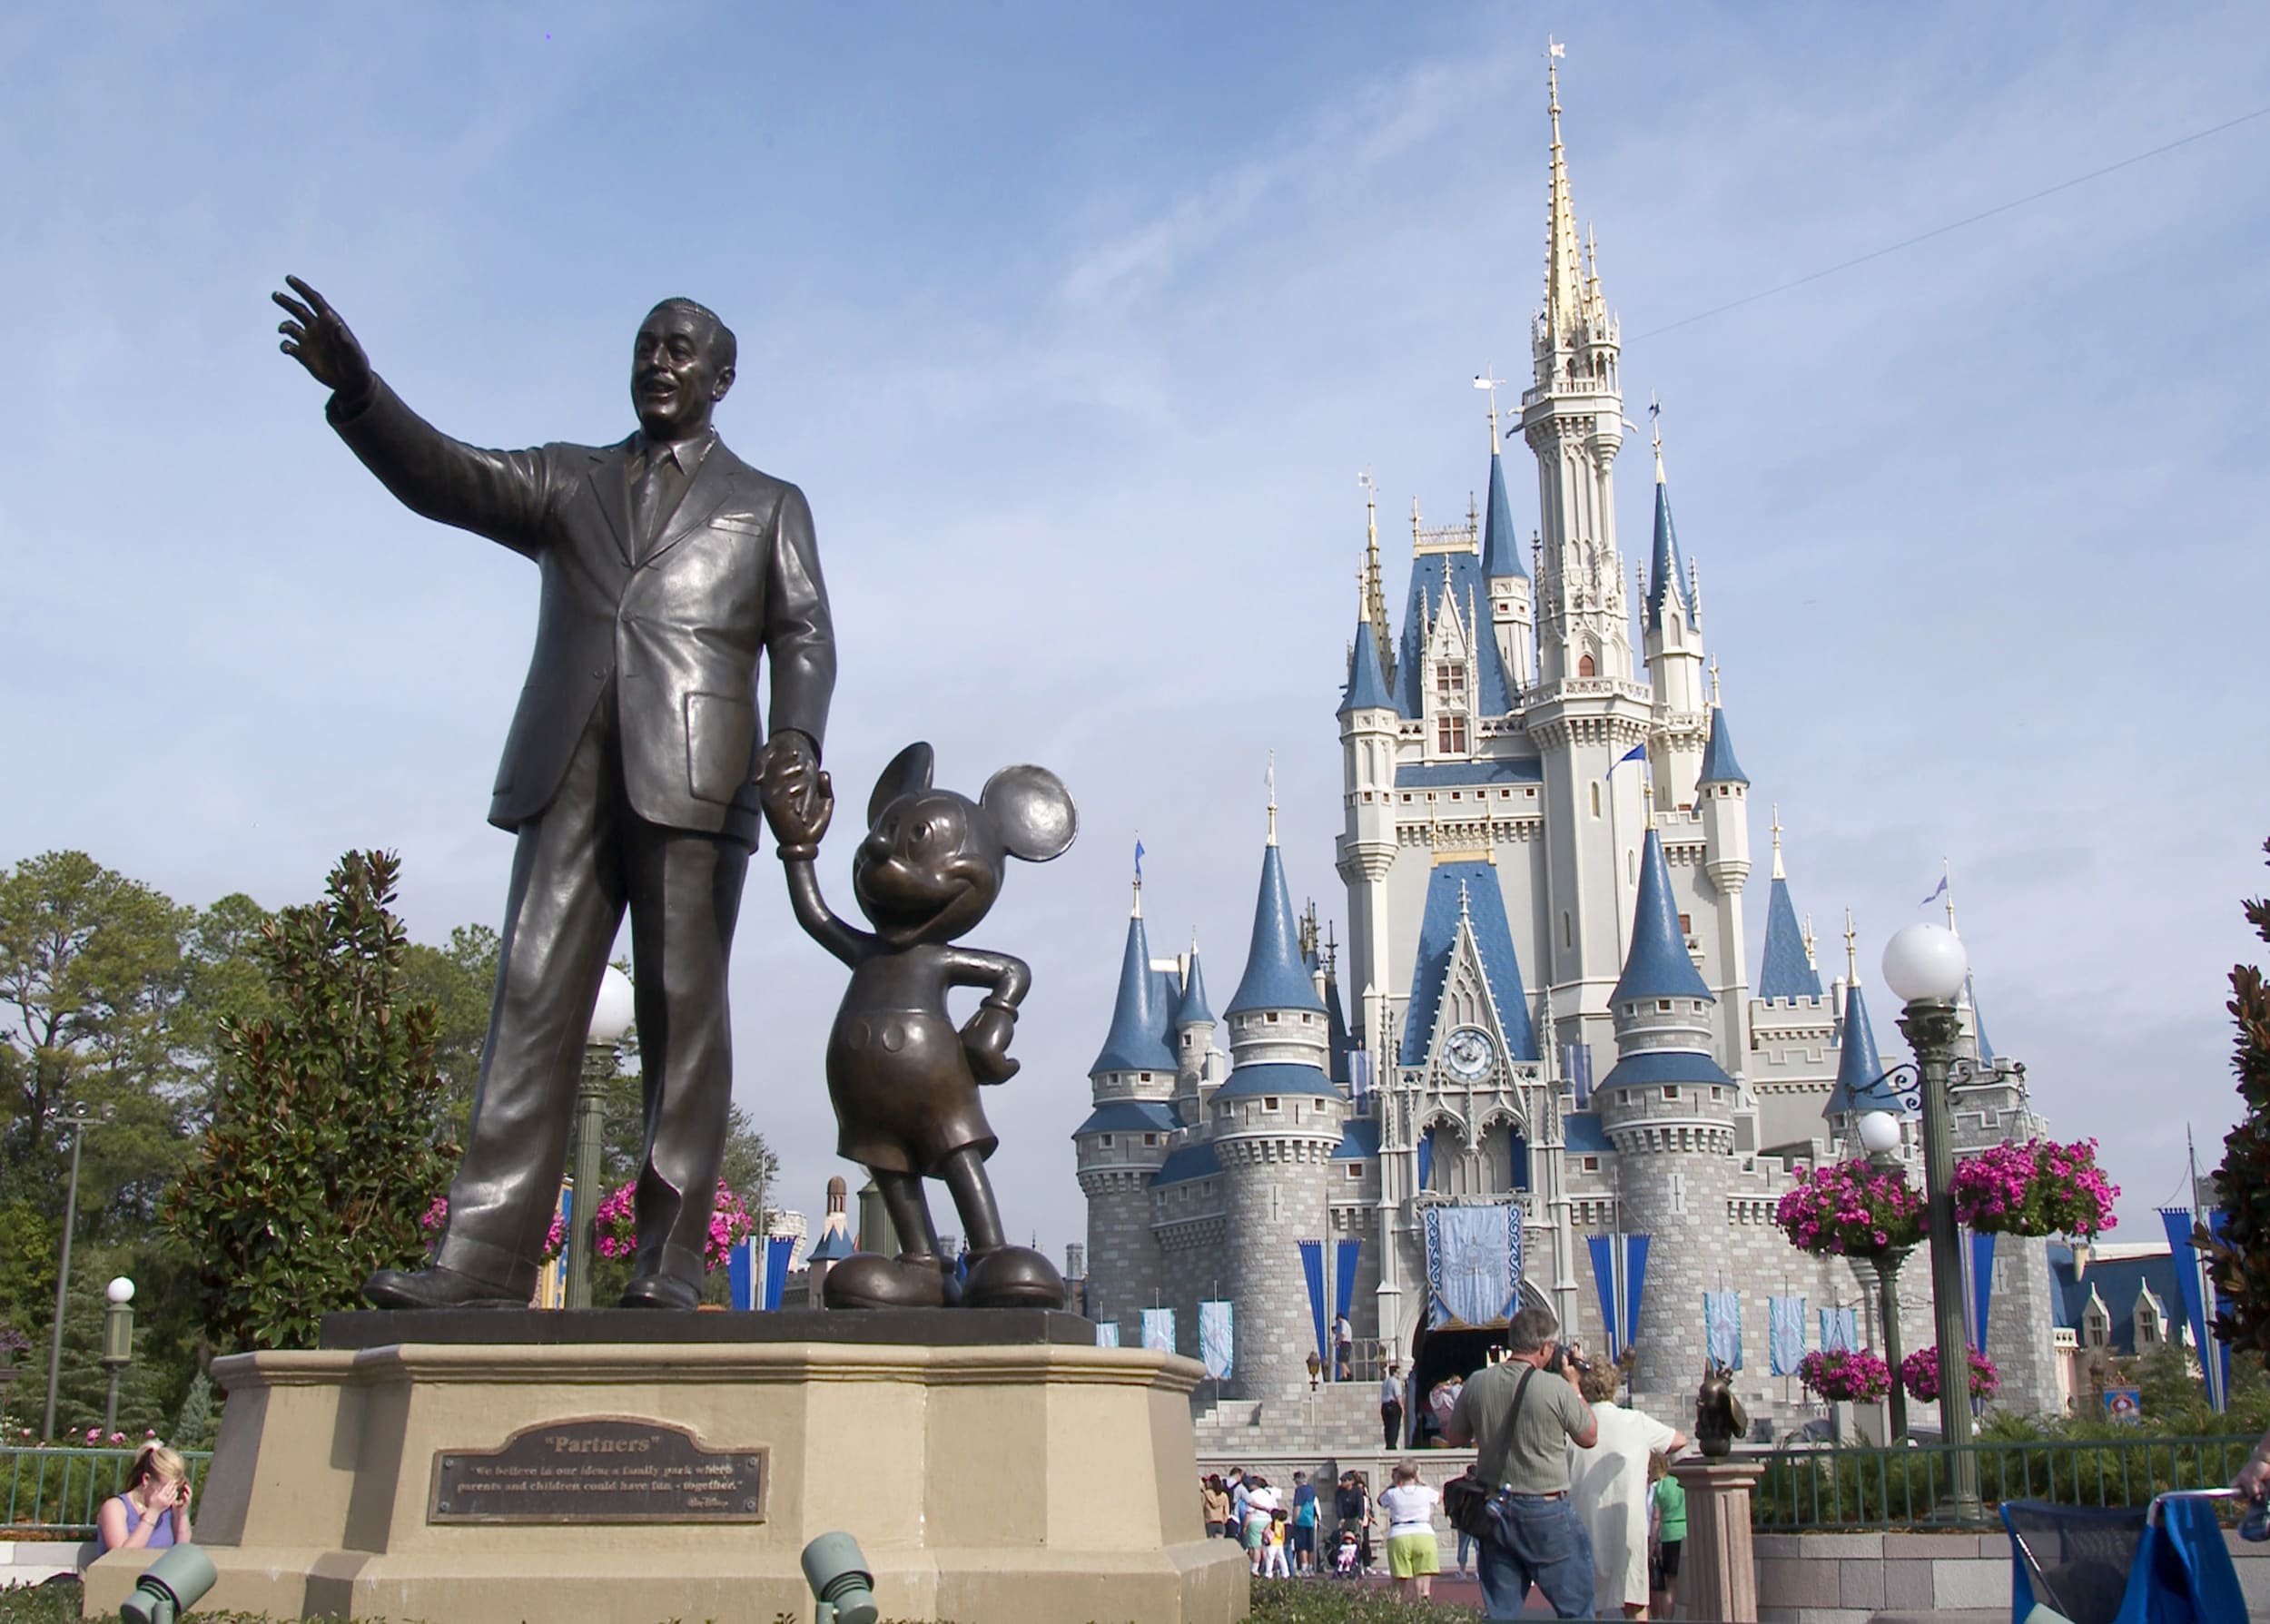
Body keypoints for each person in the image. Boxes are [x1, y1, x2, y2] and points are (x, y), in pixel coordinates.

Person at [273, 280, 836, 1312]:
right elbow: (449, 476)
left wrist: (795, 739)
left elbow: (803, 636)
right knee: (529, 1002)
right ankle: (481, 1260)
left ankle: (667, 1258)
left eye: (680, 351)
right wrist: (362, 395)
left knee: (681, 1013)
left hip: (698, 777)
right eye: (645, 347)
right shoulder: (567, 480)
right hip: (565, 769)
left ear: (721, 379)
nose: (659, 363)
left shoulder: (768, 504)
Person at [1442, 1304, 1601, 1620]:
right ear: (1545, 1348)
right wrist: (1574, 1385)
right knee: (1576, 1609)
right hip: (1545, 1508)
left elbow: (1455, 1436)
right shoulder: (1555, 1387)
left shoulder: (1476, 1382)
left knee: (1502, 1613)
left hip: (1495, 1509)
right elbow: (1589, 1436)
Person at [1569, 1363, 1688, 1619]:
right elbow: (1679, 1439)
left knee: (1589, 1606)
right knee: (1634, 1602)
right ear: (1614, 1386)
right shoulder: (1636, 1422)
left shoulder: (1573, 1428)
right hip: (1627, 1522)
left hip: (1584, 1523)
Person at [96, 1442, 191, 1552]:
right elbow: (122, 1557)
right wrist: (153, 1512)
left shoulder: (168, 1509)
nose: (170, 1495)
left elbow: (181, 1554)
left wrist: (182, 1515)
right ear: (146, 1479)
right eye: (166, 1488)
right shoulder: (115, 1507)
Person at [1378, 1460, 1442, 1602]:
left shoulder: (1393, 1493)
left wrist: (1394, 1483)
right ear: (1415, 1473)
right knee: (1423, 1586)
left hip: (1399, 1534)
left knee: (1398, 1586)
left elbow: (1380, 1500)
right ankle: (1423, 1611)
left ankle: (1396, 1613)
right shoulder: (1425, 1491)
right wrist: (1422, 1481)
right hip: (1423, 1534)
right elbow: (1439, 1497)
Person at [1649, 1451, 1684, 1619]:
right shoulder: (1681, 1483)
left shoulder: (1661, 1486)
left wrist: (1653, 1544)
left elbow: (1656, 1517)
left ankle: (1668, 1620)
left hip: (1668, 1535)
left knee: (1669, 1586)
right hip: (1684, 1533)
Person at [1290, 1471, 1318, 1574]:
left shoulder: (1299, 1490)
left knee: (1302, 1545)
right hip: (1310, 1520)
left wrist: (1294, 1520)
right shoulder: (1311, 1489)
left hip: (1301, 1520)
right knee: (1310, 1545)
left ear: (1298, 1480)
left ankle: (1304, 1567)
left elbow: (1298, 1506)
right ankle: (1310, 1567)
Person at [1381, 1359, 1406, 1448]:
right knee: (1394, 1427)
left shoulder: (1385, 1382)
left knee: (1387, 1427)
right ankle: (1392, 1446)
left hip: (1384, 1406)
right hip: (1393, 1405)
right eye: (1398, 1373)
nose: (1399, 1375)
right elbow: (1398, 1395)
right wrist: (1402, 1408)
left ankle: (1388, 1444)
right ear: (1394, 1373)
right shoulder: (1395, 1382)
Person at [1200, 1474, 1230, 1539]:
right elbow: (1226, 1511)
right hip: (1220, 1523)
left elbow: (1202, 1508)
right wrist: (1224, 1520)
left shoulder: (1206, 1494)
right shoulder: (1224, 1496)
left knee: (1210, 1546)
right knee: (1219, 1546)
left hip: (1209, 1522)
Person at [1334, 1313, 1355, 1381]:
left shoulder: (1344, 1324)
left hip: (1346, 1343)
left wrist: (1338, 1341)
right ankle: (1346, 1374)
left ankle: (1346, 1375)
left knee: (1341, 1360)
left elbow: (1343, 1335)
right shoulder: (1346, 1324)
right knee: (1341, 1360)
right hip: (1346, 1343)